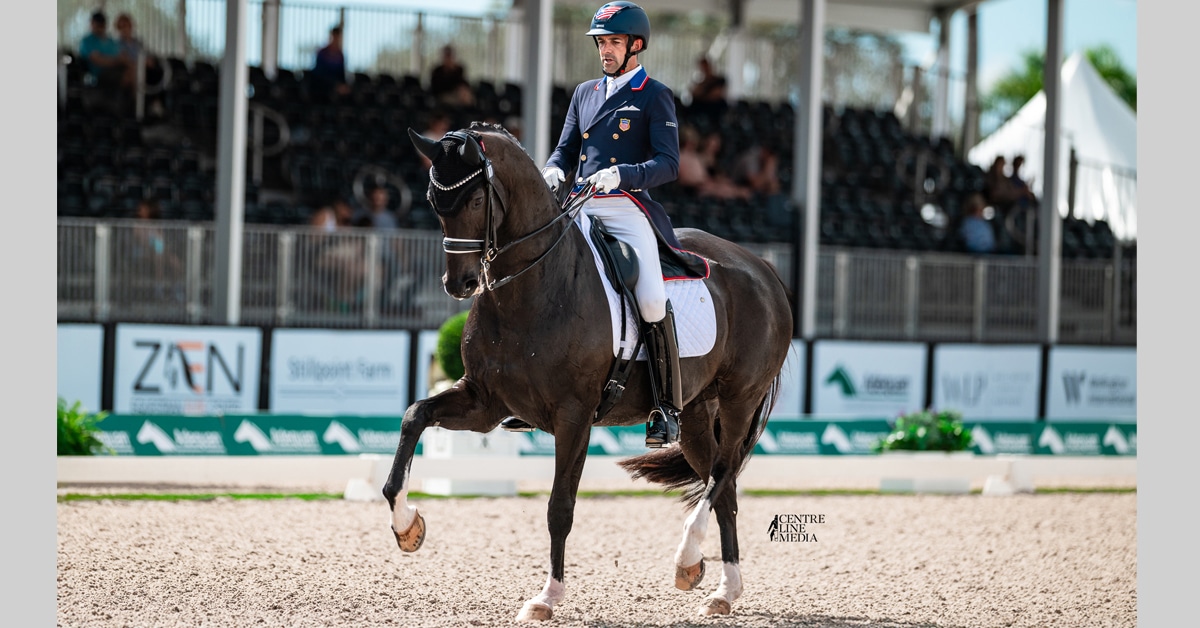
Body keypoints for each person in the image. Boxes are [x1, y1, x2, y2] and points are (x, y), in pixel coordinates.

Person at [500, 1, 684, 448]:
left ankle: (666, 406)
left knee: (653, 300)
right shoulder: (584, 92)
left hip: (625, 208)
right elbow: (565, 149)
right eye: (601, 42)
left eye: (614, 42)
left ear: (635, 46)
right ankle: (526, 397)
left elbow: (669, 163)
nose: (605, 50)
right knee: (537, 279)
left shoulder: (653, 95)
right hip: (579, 204)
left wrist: (625, 174)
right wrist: (552, 170)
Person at [113, 13, 166, 118]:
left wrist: (148, 61)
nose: (125, 29)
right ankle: (137, 108)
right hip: (131, 70)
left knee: (157, 72)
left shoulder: (138, 42)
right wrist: (138, 64)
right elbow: (123, 60)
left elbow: (146, 54)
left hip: (145, 70)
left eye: (127, 25)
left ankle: (156, 103)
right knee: (136, 75)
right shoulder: (117, 44)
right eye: (122, 26)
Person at [78, 12, 128, 109]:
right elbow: (98, 60)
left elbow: (122, 56)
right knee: (129, 74)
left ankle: (130, 107)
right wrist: (116, 61)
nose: (100, 27)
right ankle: (133, 108)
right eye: (97, 24)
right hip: (99, 74)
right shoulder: (87, 41)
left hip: (117, 70)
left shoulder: (111, 41)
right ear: (92, 24)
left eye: (102, 24)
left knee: (133, 71)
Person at [309, 26, 350, 103]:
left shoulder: (340, 55)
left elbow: (342, 75)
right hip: (322, 86)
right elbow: (319, 73)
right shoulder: (322, 53)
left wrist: (343, 86)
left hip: (336, 88)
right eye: (335, 36)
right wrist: (335, 85)